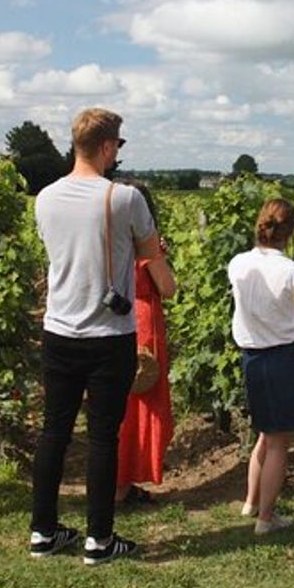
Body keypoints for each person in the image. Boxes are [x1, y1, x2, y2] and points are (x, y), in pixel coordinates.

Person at [29, 108, 172, 566]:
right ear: (108, 146)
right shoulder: (125, 199)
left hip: (58, 330)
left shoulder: (44, 198)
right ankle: (99, 539)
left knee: (54, 432)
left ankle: (43, 531)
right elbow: (156, 267)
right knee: (103, 438)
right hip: (109, 334)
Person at [229, 199, 294, 535]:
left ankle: (251, 501)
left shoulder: (237, 263)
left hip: (251, 356)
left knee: (265, 435)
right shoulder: (293, 272)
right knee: (279, 442)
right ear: (290, 232)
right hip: (284, 356)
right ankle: (266, 519)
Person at [115, 183, 177, 506]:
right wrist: (160, 256)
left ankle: (117, 480)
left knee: (120, 406)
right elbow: (168, 288)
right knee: (141, 407)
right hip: (143, 325)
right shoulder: (146, 248)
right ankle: (123, 485)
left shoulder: (111, 242)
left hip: (116, 322)